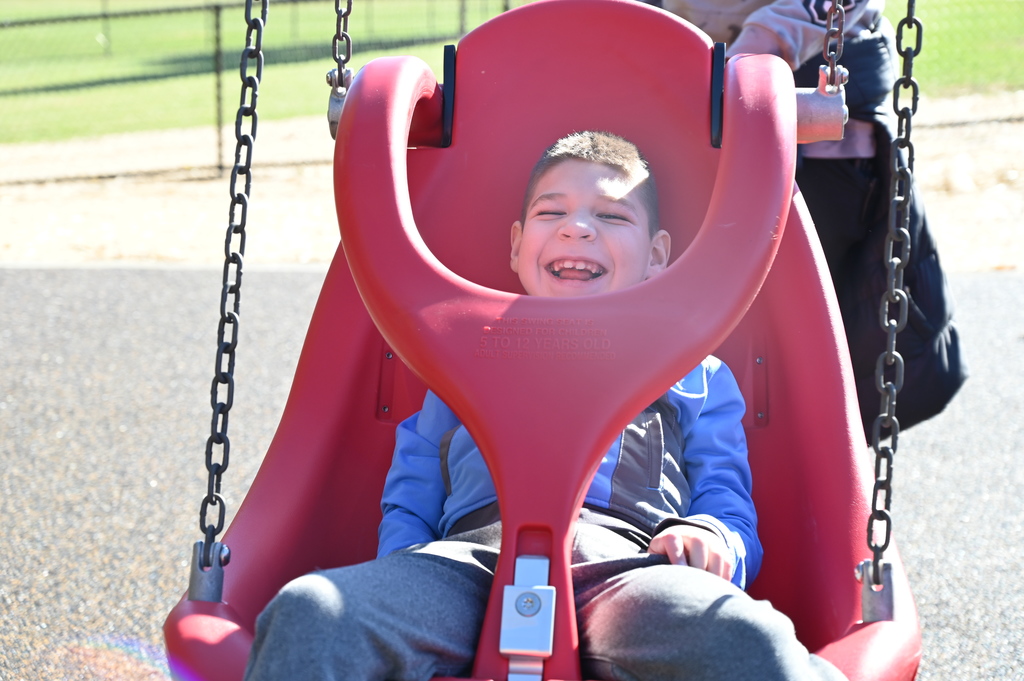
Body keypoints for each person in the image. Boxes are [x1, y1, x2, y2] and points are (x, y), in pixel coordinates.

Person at [244, 131, 847, 681]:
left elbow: (729, 504)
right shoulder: (459, 353)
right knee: (309, 612)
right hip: (467, 564)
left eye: (611, 215)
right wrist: (404, 576)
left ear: (659, 255)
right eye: (550, 212)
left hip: (627, 566)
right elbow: (411, 498)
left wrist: (711, 534)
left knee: (752, 641)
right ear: (516, 244)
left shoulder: (693, 370)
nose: (576, 229)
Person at [645, 0, 966, 437]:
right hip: (688, 75)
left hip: (814, 74)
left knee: (815, 314)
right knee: (691, 300)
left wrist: (763, 45)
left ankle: (821, 461)